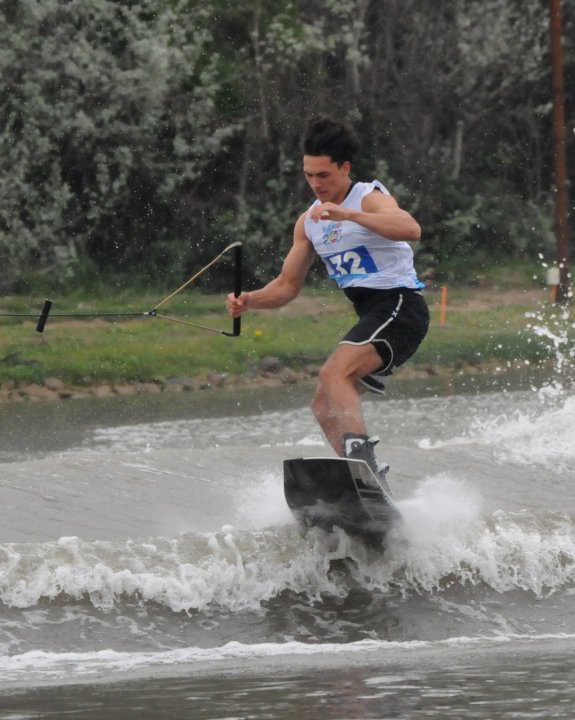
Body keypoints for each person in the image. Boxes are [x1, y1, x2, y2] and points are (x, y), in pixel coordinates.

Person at [227, 116, 429, 489]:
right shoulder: (308, 222)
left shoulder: (368, 196)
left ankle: (362, 469)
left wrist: (351, 214)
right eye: (309, 175)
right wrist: (249, 300)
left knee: (334, 373)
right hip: (373, 315)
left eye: (324, 175)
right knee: (323, 405)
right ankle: (366, 487)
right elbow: (287, 286)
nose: (316, 184)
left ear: (344, 167)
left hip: (402, 307)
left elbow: (410, 228)